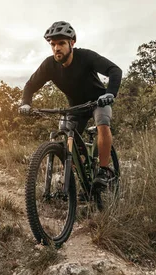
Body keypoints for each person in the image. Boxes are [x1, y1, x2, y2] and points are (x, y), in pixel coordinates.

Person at [19, 21, 122, 190]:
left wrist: (110, 93)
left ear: (72, 43)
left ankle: (103, 171)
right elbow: (30, 86)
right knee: (68, 142)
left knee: (102, 123)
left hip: (98, 101)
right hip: (76, 108)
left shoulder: (86, 57)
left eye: (61, 43)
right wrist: (26, 103)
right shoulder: (49, 65)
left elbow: (114, 70)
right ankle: (84, 179)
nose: (56, 48)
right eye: (53, 44)